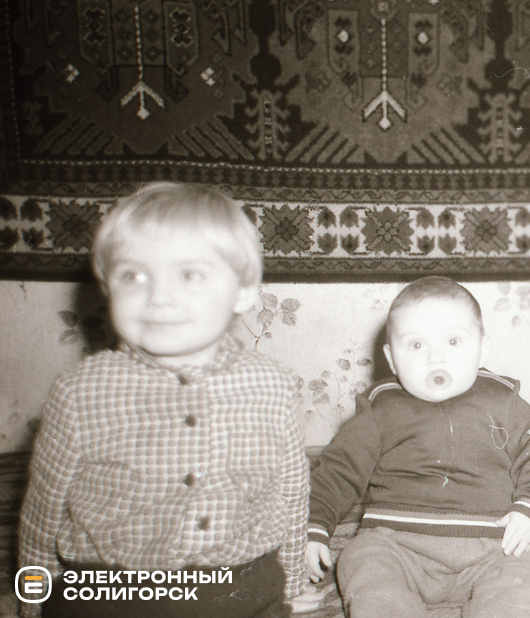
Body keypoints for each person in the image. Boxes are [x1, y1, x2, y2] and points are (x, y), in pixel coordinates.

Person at [17, 182, 323, 617]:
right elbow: (43, 505)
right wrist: (33, 599)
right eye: (133, 276)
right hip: (111, 587)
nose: (158, 296)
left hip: (239, 583)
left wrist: (290, 581)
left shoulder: (275, 386)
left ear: (243, 292)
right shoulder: (80, 391)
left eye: (190, 275)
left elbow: (290, 492)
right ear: (107, 288)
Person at [304, 276, 530, 617]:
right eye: (416, 345)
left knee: (527, 565)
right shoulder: (380, 408)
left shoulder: (505, 401)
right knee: (361, 560)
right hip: (397, 543)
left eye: (453, 341)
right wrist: (315, 525)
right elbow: (338, 470)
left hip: (494, 545)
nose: (436, 357)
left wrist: (529, 510)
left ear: (482, 349)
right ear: (391, 358)